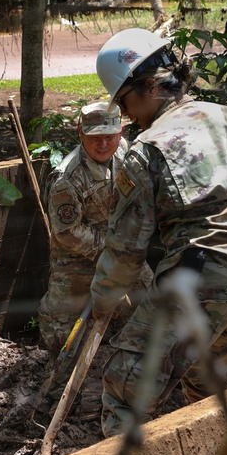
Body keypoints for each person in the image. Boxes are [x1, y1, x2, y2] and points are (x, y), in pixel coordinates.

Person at [90, 27, 227, 437]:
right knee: (207, 385)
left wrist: (103, 296)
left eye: (123, 102)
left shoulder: (148, 149)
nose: (125, 117)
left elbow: (127, 248)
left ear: (148, 87)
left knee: (125, 388)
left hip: (200, 279)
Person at [38, 101, 152, 356]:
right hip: (77, 266)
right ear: (81, 134)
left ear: (120, 133)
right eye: (95, 138)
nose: (103, 145)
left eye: (109, 137)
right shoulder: (66, 178)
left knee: (151, 308)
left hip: (122, 253)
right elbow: (67, 232)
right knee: (64, 340)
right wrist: (110, 249)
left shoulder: (125, 154)